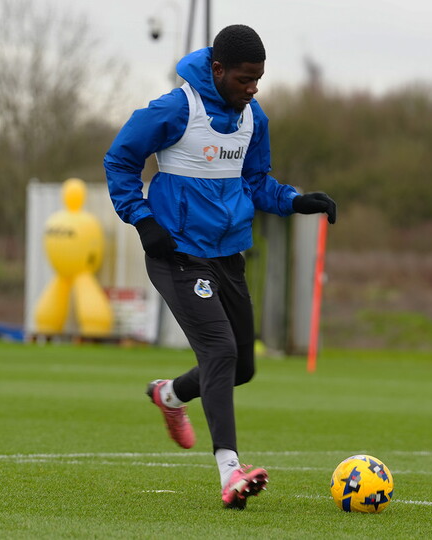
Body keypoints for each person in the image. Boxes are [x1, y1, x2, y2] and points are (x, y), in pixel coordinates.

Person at [104, 24, 337, 509]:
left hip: (227, 256)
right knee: (220, 350)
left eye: (259, 79)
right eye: (244, 79)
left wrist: (296, 201)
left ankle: (170, 395)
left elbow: (256, 183)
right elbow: (119, 161)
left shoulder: (254, 119)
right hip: (178, 255)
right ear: (217, 70)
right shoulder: (175, 110)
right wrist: (142, 220)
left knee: (242, 367)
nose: (253, 88)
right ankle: (231, 473)